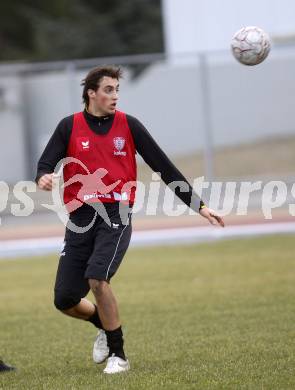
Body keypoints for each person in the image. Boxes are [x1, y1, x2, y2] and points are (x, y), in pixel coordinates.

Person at [36, 66, 224, 374]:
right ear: (91, 93)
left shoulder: (129, 125)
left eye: (117, 90)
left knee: (98, 278)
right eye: (108, 90)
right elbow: (45, 164)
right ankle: (103, 324)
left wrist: (200, 206)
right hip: (80, 217)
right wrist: (43, 177)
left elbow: (165, 167)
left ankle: (118, 355)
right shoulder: (68, 127)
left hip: (116, 212)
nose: (115, 96)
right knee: (65, 298)